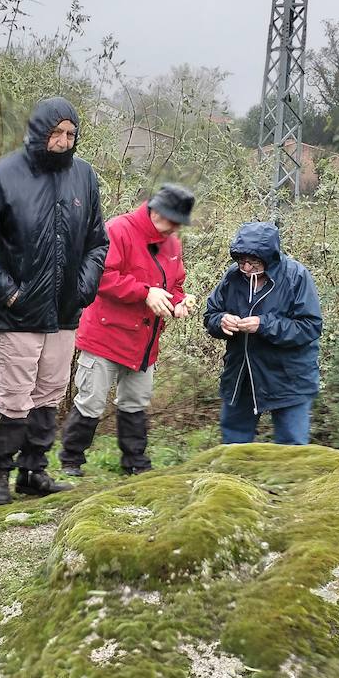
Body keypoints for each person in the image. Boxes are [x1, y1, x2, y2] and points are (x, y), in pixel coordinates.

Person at [0, 96, 108, 506]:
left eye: (71, 134)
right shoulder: (2, 176)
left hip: (64, 311)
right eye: (56, 133)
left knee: (50, 392)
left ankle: (33, 471)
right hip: (16, 311)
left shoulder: (84, 177)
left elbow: (97, 242)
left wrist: (83, 287)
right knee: (13, 396)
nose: (63, 141)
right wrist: (9, 291)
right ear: (39, 132)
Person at [59, 184, 196, 475]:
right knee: (91, 401)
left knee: (136, 402)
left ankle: (134, 462)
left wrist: (181, 302)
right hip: (104, 336)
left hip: (144, 341)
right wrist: (145, 293)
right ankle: (71, 459)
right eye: (172, 221)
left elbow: (175, 285)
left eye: (178, 224)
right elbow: (101, 277)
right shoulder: (118, 229)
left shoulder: (172, 244)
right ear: (156, 211)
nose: (174, 229)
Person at [203, 221, 322, 444]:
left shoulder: (296, 277)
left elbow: (310, 326)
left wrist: (264, 325)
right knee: (233, 444)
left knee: (292, 446)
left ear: (270, 258)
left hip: (289, 378)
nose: (246, 268)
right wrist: (222, 321)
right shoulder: (233, 277)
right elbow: (211, 314)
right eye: (241, 261)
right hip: (241, 375)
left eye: (253, 262)